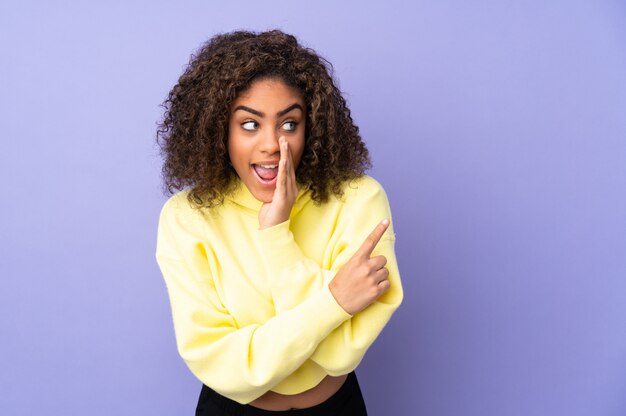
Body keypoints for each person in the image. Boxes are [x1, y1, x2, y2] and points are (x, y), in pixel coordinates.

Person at [155, 29, 403, 415]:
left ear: (312, 127)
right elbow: (224, 365)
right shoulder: (187, 218)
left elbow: (339, 355)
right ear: (219, 129)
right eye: (250, 124)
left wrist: (276, 235)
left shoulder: (358, 200)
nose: (272, 144)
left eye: (289, 124)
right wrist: (334, 302)